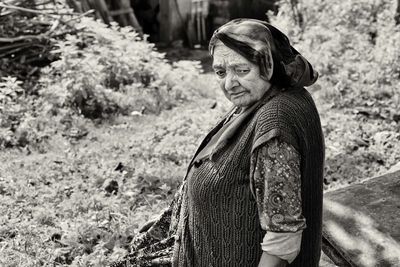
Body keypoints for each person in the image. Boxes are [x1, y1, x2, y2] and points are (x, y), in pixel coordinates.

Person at [111, 18, 324, 267]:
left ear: (270, 64)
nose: (229, 83)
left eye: (242, 70)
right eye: (221, 72)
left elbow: (283, 240)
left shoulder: (275, 123)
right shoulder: (269, 97)